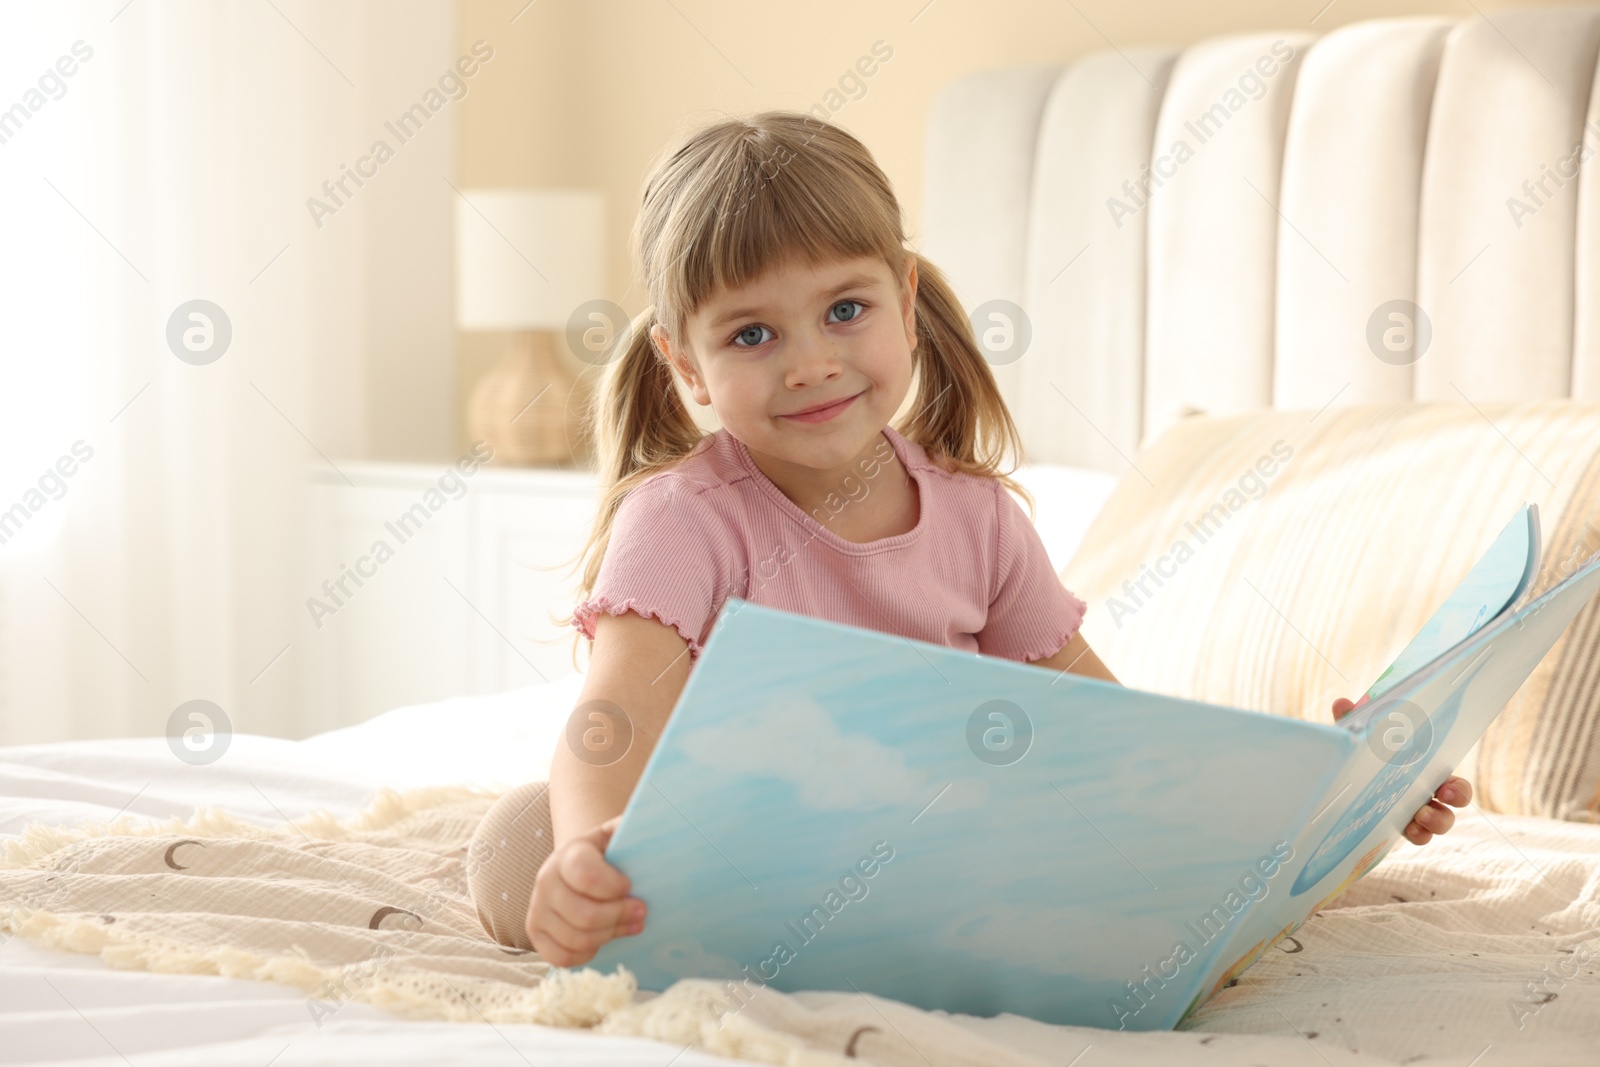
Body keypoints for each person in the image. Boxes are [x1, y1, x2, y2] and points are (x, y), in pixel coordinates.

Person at [465, 111, 1471, 966]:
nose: (811, 363)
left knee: (1139, 845)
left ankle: (1347, 806)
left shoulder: (978, 517)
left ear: (905, 304)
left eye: (845, 310)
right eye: (752, 335)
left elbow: (1111, 732)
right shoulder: (684, 515)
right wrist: (582, 857)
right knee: (519, 843)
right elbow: (611, 718)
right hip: (736, 842)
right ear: (684, 365)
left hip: (931, 844)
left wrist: (1329, 781)